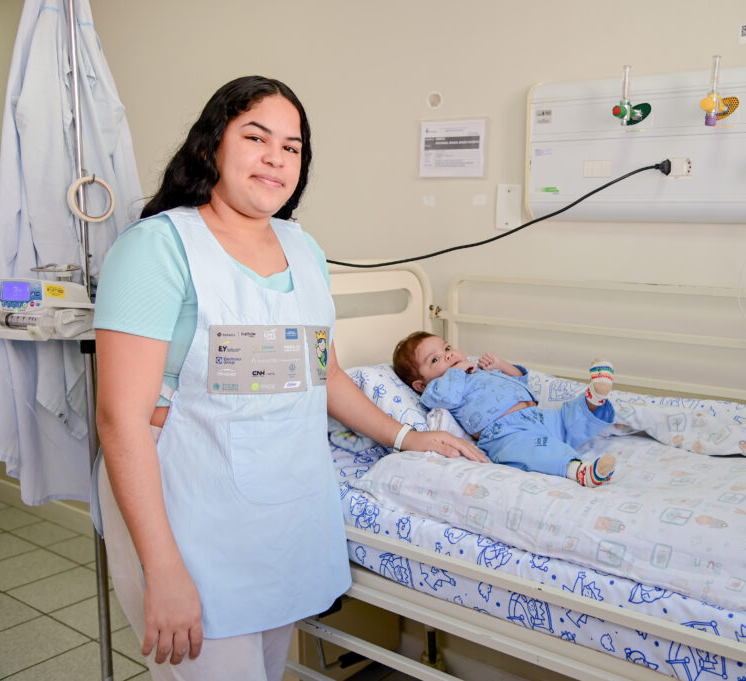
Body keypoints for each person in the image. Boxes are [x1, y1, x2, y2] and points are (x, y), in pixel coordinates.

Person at [92, 76, 485, 681]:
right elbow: (120, 419)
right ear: (210, 146)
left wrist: (407, 436)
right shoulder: (156, 250)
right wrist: (163, 568)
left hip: (280, 513)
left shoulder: (303, 251)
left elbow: (322, 373)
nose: (276, 157)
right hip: (186, 513)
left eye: (292, 146)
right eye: (256, 137)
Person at [392, 331, 618, 487]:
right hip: (506, 432)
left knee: (569, 417)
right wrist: (457, 370)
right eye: (435, 360)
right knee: (533, 451)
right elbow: (446, 396)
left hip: (538, 416)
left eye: (447, 348)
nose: (449, 355)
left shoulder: (477, 370)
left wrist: (501, 365)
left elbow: (520, 379)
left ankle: (594, 398)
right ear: (420, 385)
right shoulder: (436, 388)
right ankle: (578, 471)